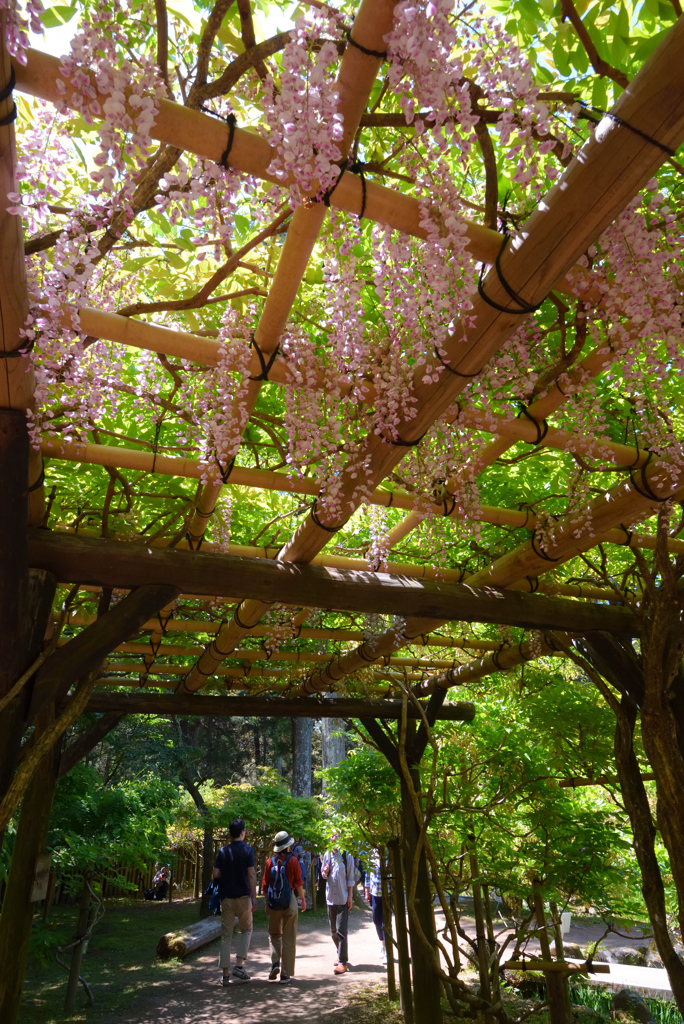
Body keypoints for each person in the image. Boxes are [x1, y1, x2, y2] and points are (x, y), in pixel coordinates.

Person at [213, 818, 257, 987]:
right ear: (242, 832)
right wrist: (254, 897)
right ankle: (239, 965)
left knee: (226, 936)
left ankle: (225, 976)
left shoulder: (223, 851)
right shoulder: (248, 850)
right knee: (247, 929)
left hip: (226, 898)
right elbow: (252, 875)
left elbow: (216, 873)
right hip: (243, 897)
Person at [262, 830, 306, 984]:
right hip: (290, 901)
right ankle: (285, 974)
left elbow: (265, 885)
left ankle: (275, 963)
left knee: (274, 934)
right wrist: (303, 899)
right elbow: (299, 882)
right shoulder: (293, 861)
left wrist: (267, 903)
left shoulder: (269, 862)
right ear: (288, 846)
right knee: (289, 936)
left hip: (274, 902)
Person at [321, 836, 355, 975]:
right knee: (333, 931)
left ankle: (342, 962)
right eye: (331, 835)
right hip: (330, 898)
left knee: (341, 930)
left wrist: (350, 896)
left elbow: (350, 877)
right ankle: (341, 953)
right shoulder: (327, 854)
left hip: (342, 897)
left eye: (336, 835)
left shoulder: (347, 855)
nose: (333, 838)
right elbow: (323, 875)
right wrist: (325, 872)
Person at [365, 851, 386, 962]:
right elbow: (368, 874)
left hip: (387, 894)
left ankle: (387, 950)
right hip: (375, 893)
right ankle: (382, 944)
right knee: (377, 921)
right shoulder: (371, 855)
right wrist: (366, 890)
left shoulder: (389, 853)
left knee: (385, 922)